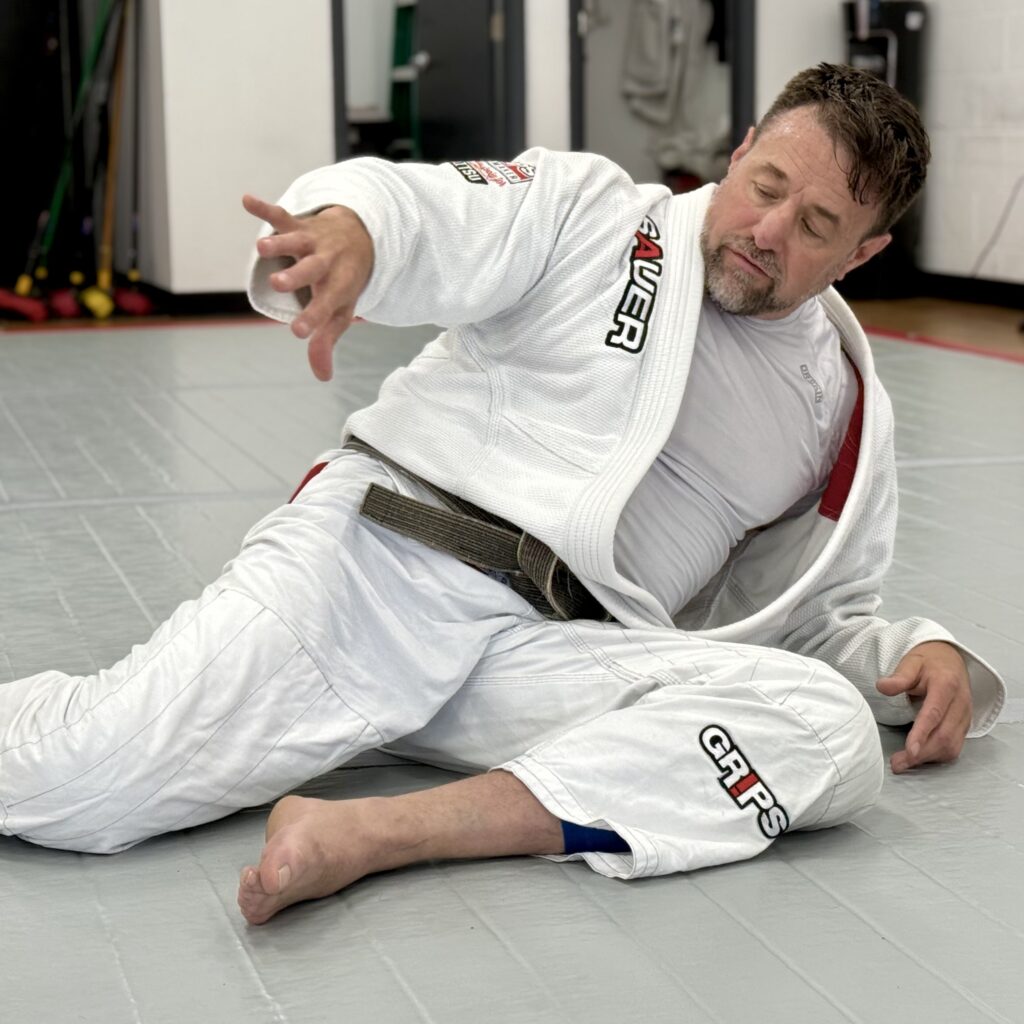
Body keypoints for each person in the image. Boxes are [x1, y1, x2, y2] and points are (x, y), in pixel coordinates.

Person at [0, 64, 1005, 927]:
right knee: (85, 782)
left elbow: (809, 614)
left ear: (864, 255)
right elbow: (438, 213)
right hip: (386, 567)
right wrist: (353, 232)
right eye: (764, 184)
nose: (766, 228)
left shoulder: (843, 413)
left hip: (552, 656)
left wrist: (902, 651)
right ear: (738, 149)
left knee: (825, 730)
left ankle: (378, 831)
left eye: (817, 223)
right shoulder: (595, 214)